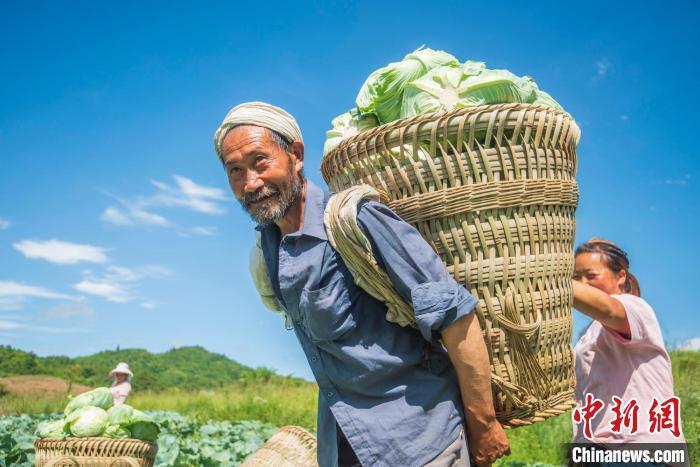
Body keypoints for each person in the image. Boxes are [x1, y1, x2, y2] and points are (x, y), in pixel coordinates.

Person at [214, 101, 510, 467]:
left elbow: (456, 318)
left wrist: (484, 426)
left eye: (261, 162)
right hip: (346, 449)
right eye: (235, 171)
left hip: (420, 443)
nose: (251, 183)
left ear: (295, 155)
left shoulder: (356, 221)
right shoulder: (269, 251)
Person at [572, 238, 685, 445]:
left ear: (621, 276)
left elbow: (608, 309)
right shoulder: (588, 335)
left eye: (591, 276)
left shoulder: (633, 307)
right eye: (575, 277)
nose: (582, 284)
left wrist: (551, 279)